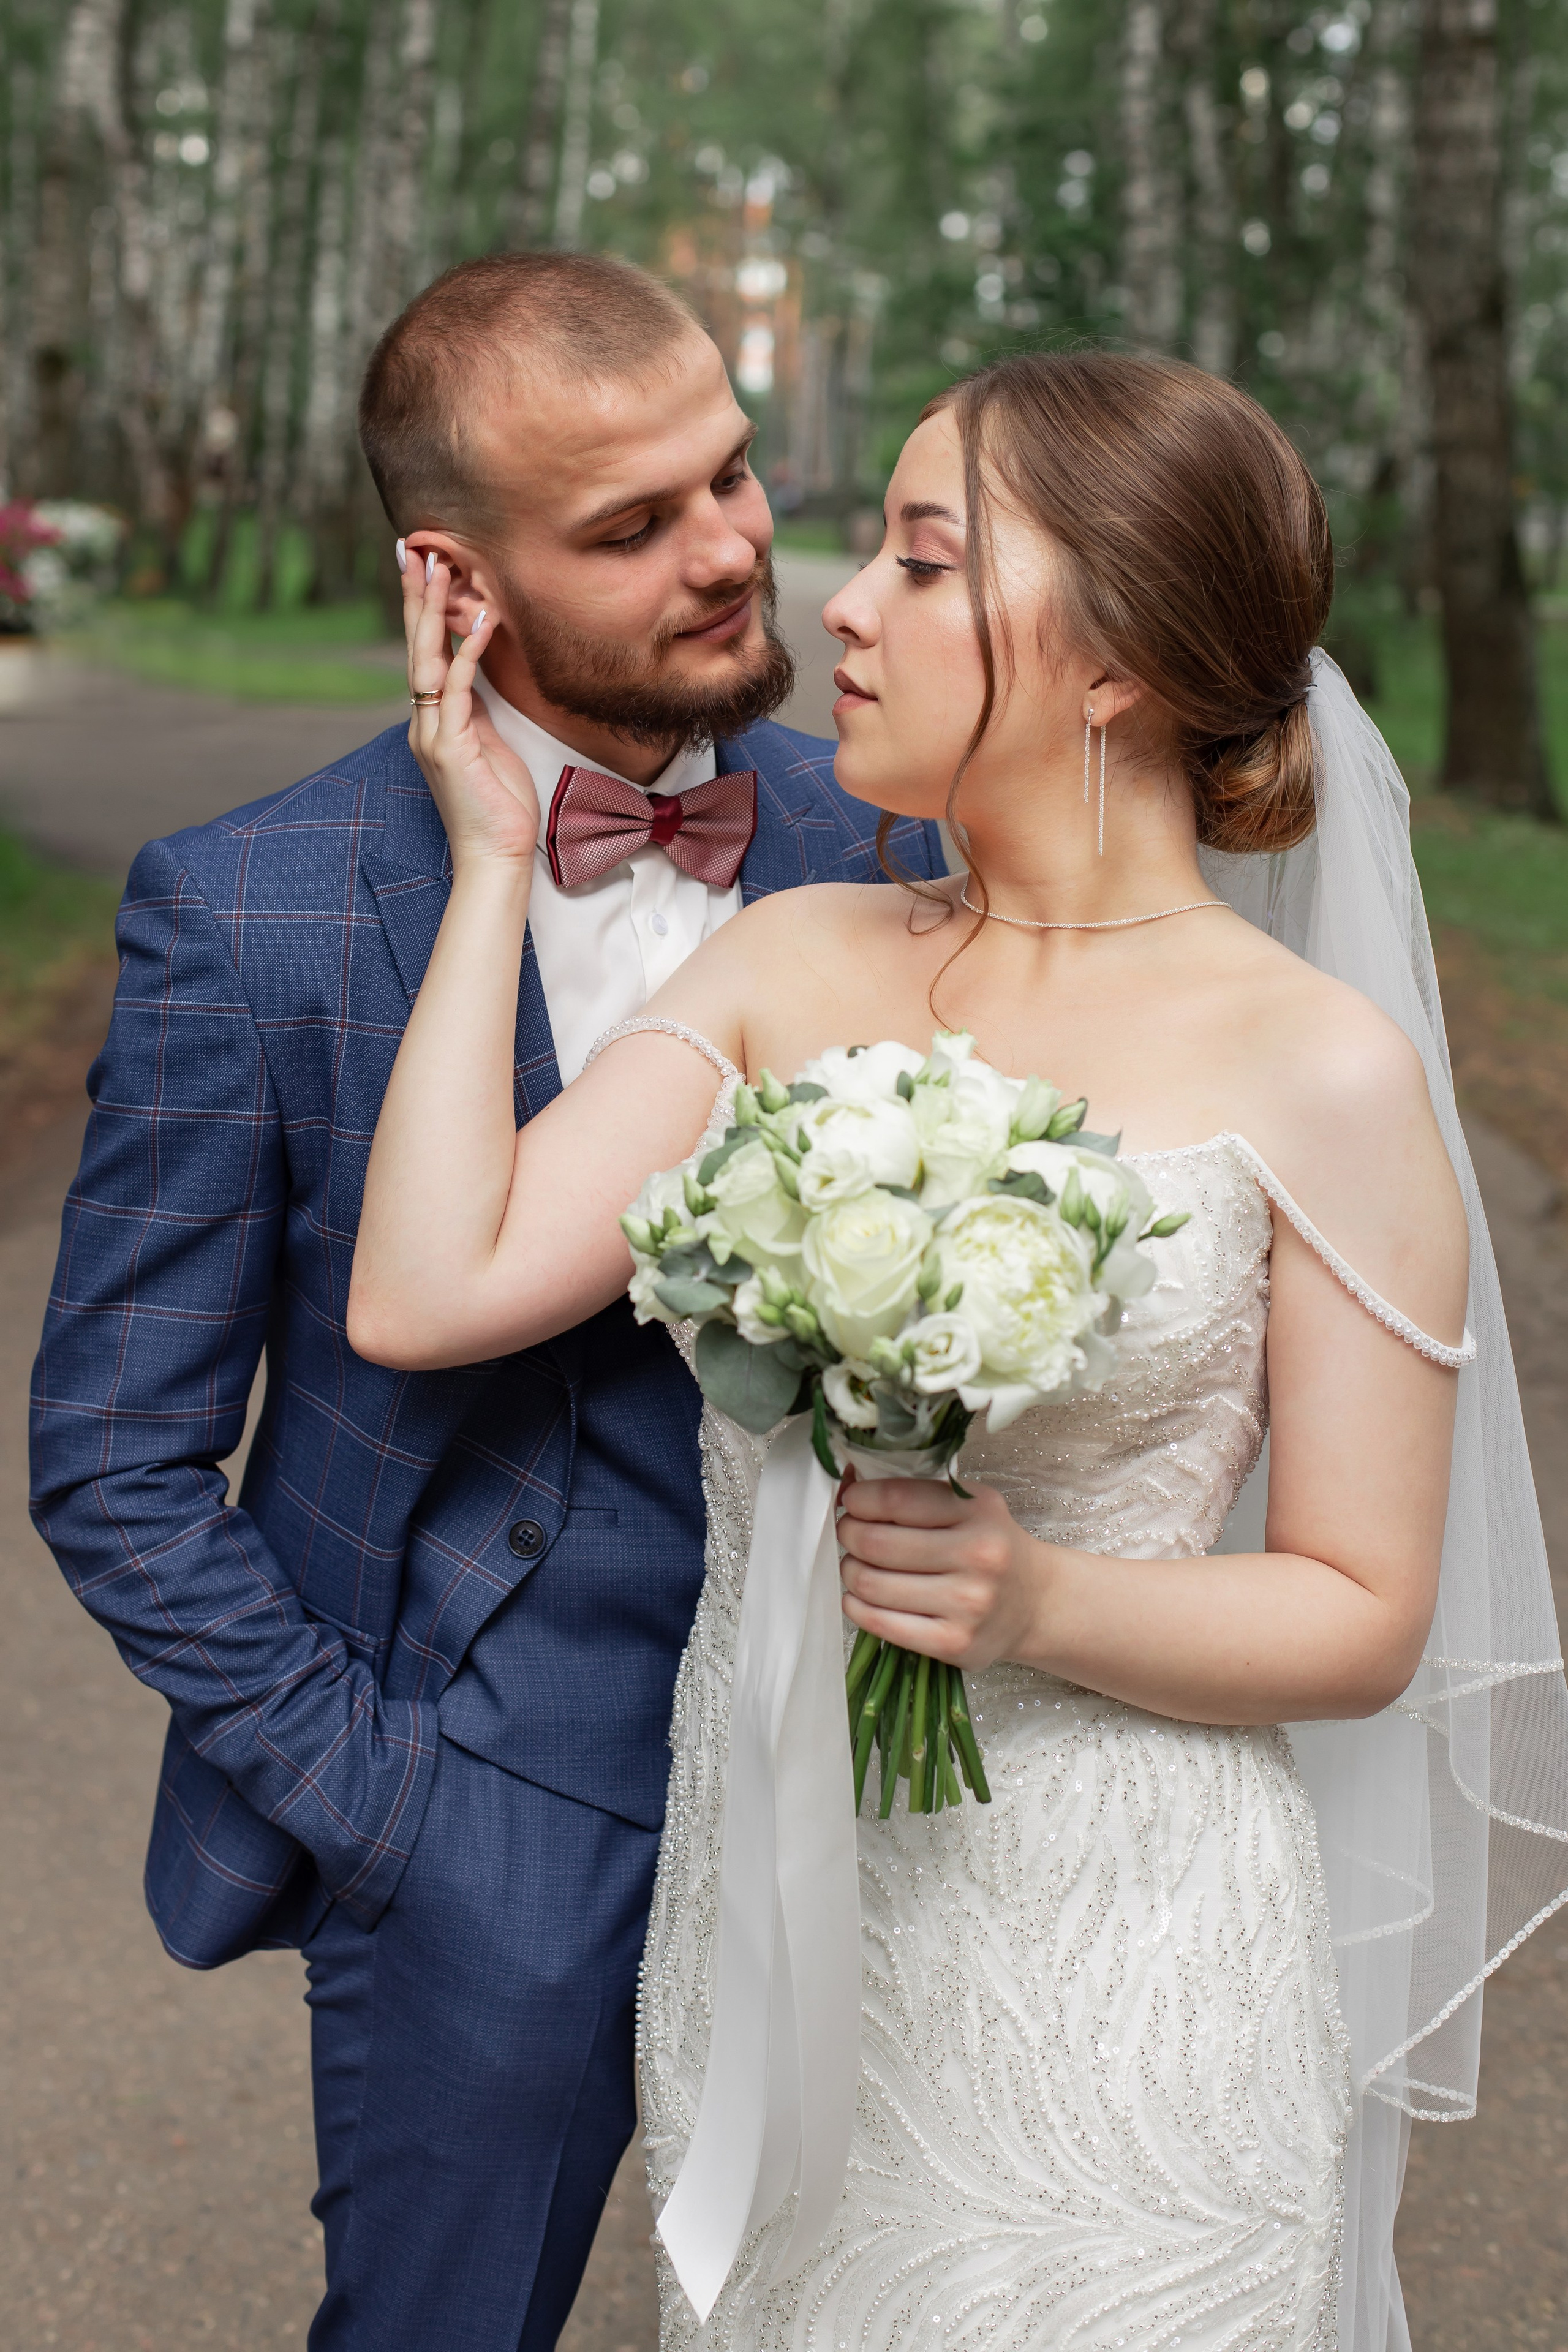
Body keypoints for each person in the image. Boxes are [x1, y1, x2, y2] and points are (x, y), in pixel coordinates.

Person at [351, 349, 1568, 2352]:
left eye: (924, 562)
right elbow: (426, 1289)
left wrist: (1042, 1597)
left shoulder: (1322, 1066)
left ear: (1115, 665)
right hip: (783, 1924)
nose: (838, 602)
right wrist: (492, 864)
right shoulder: (792, 960)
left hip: (1129, 1959)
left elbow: (1364, 1612)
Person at [28, 251, 943, 2352]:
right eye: (631, 528)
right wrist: (385, 1805)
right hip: (492, 1806)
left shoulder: (887, 837)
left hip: (880, 1779)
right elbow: (111, 1458)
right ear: (455, 578)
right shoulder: (245, 912)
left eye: (730, 477)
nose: (731, 554)